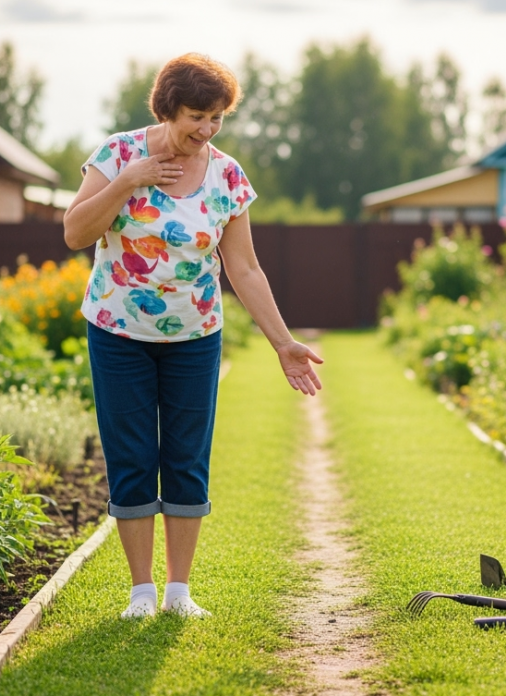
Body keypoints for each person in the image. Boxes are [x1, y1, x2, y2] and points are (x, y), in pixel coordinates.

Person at [63, 53, 322, 619]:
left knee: (186, 456)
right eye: (196, 117)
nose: (205, 130)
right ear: (167, 108)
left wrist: (283, 342)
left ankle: (179, 592)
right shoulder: (118, 153)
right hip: (119, 330)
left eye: (217, 118)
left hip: (195, 335)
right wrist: (128, 182)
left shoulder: (227, 175)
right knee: (131, 455)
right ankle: (141, 593)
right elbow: (76, 231)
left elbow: (245, 268)